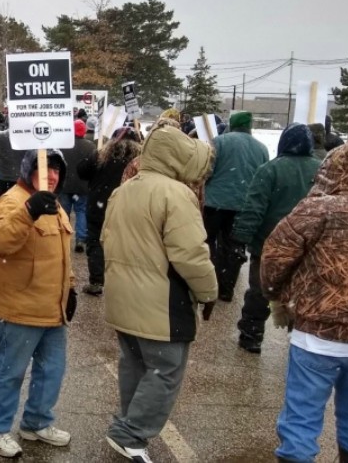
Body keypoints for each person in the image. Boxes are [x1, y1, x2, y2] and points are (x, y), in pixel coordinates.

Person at [102, 121, 217, 463]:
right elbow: (190, 254)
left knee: (135, 365)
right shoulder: (176, 194)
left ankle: (128, 427)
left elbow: (106, 238)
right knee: (165, 370)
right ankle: (130, 433)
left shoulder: (124, 189)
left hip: (124, 296)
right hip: (162, 300)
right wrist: (208, 291)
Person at [261, 140, 348, 463]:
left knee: (302, 417)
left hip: (317, 335)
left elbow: (275, 256)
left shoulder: (318, 208)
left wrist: (275, 295)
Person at [0, 149, 75, 458]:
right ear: (27, 170)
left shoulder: (54, 204)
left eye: (57, 170)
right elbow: (1, 241)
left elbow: (60, 254)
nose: (52, 176)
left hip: (52, 309)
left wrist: (70, 288)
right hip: (20, 309)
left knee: (52, 371)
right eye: (45, 169)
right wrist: (28, 212)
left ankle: (36, 422)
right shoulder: (12, 201)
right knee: (9, 373)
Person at [230, 123, 322, 354]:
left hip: (269, 243)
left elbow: (254, 207)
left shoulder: (270, 169)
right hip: (308, 246)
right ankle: (299, 336)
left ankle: (251, 335)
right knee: (302, 293)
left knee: (260, 290)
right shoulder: (321, 170)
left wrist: (240, 238)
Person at [203, 111, 269, 302]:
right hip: (243, 205)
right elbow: (263, 178)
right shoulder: (262, 148)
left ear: (232, 124)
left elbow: (207, 170)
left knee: (207, 242)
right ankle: (226, 288)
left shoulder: (219, 142)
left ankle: (208, 282)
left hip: (214, 203)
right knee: (233, 246)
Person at [76, 127, 143, 296]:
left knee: (95, 242)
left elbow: (81, 171)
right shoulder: (140, 161)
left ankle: (96, 280)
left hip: (99, 205)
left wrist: (95, 156)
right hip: (125, 207)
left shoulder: (101, 155)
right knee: (124, 244)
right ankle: (121, 281)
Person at [59, 119, 95, 252]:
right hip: (83, 185)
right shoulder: (90, 146)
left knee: (63, 212)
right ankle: (80, 239)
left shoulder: (63, 145)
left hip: (65, 184)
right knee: (81, 212)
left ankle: (63, 237)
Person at [0, 122, 25, 197]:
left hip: (4, 175)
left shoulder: (0, 135)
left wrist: (0, 128)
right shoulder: (25, 136)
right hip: (20, 176)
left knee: (3, 199)